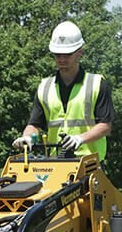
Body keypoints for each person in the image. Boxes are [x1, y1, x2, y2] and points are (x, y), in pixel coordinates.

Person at [12, 20, 114, 161]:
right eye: (58, 54)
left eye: (67, 54)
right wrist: (28, 137)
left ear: (79, 52)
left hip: (89, 164)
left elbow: (105, 126)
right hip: (55, 164)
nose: (62, 59)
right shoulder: (45, 88)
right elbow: (34, 124)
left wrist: (80, 138)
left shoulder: (97, 84)